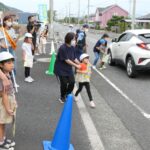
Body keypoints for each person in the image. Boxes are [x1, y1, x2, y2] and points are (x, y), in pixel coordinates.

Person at [54, 32, 80, 103]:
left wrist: (80, 64)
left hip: (68, 69)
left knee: (72, 82)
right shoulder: (63, 48)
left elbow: (74, 58)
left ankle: (67, 94)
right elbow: (67, 60)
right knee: (64, 83)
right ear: (69, 39)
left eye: (75, 39)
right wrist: (76, 66)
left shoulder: (72, 48)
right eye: (74, 39)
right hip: (60, 69)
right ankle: (62, 97)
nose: (75, 41)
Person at [0, 52, 17, 150]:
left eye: (12, 62)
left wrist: (14, 100)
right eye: (9, 63)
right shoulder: (2, 79)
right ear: (1, 65)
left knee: (4, 122)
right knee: (1, 123)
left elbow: (11, 91)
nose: (12, 65)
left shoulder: (8, 74)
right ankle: (1, 142)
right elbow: (4, 94)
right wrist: (7, 108)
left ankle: (3, 138)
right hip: (3, 103)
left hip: (8, 101)